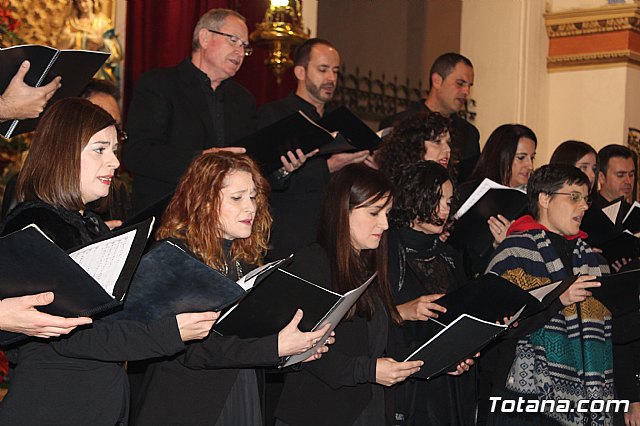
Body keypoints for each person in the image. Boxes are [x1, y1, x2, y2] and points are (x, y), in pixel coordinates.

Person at [0, 98, 216, 425]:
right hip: (54, 406)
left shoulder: (85, 222)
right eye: (100, 149)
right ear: (63, 151)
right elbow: (73, 335)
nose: (115, 162)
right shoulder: (36, 224)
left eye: (115, 149)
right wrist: (171, 332)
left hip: (93, 402)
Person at [131, 152, 332, 425]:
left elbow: (249, 339)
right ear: (203, 202)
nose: (250, 207)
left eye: (253, 196)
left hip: (242, 391)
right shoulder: (176, 255)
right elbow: (192, 350)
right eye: (237, 198)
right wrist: (275, 347)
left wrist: (297, 347)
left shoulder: (245, 259)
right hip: (188, 404)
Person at [274, 164, 423, 426]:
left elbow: (377, 343)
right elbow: (303, 352)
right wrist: (369, 370)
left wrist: (441, 357)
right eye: (375, 213)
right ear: (343, 210)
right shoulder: (313, 263)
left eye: (387, 214)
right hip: (318, 413)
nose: (385, 224)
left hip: (367, 407)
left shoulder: (368, 265)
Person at [483, 164, 613, 425]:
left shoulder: (592, 259)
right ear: (544, 198)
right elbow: (497, 324)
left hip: (587, 396)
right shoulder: (514, 251)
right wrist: (558, 299)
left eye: (586, 199)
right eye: (574, 197)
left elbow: (614, 334)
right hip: (523, 398)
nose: (584, 206)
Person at [124, 8, 255, 214]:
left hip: (224, 221)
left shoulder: (244, 99)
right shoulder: (159, 84)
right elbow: (137, 153)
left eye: (245, 47)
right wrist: (200, 160)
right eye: (233, 40)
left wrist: (283, 170)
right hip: (169, 215)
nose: (240, 52)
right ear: (204, 37)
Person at [257, 38, 374, 260]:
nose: (331, 78)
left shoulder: (340, 122)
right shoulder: (273, 115)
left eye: (335, 71)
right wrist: (329, 166)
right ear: (300, 71)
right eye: (323, 69)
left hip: (334, 237)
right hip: (289, 236)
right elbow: (264, 177)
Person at [387, 161, 475, 425]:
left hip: (446, 386)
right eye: (436, 200)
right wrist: (402, 312)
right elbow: (367, 317)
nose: (444, 210)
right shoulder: (384, 248)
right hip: (401, 379)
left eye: (448, 202)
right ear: (414, 198)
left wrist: (464, 354)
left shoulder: (449, 256)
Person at [380, 52, 480, 181]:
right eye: (460, 83)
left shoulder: (469, 134)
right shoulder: (398, 124)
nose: (466, 92)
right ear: (437, 81)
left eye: (469, 86)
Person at [456, 123, 537, 278]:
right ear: (502, 155)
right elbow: (460, 250)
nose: (530, 165)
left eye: (532, 157)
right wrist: (496, 245)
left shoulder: (533, 200)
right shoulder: (469, 192)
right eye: (521, 157)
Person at [56, 0, 122, 84]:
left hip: (98, 71)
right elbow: (62, 43)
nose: (83, 5)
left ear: (93, 2)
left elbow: (116, 50)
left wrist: (102, 44)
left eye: (85, 1)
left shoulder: (102, 22)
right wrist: (83, 38)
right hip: (76, 69)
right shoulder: (71, 23)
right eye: (79, 2)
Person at [376, 111, 452, 180]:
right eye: (437, 141)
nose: (448, 149)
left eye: (448, 142)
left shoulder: (450, 186)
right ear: (415, 147)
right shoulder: (388, 190)